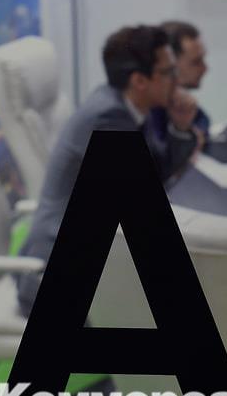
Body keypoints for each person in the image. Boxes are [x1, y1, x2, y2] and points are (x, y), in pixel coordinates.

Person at [16, 25, 201, 315]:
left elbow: (158, 169)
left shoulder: (127, 108)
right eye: (168, 72)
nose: (177, 80)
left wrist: (180, 126)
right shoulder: (108, 118)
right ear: (139, 80)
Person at [147, 20, 211, 146]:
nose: (205, 68)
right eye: (196, 62)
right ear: (169, 62)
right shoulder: (148, 109)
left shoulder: (179, 101)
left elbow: (203, 124)